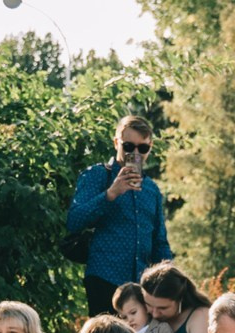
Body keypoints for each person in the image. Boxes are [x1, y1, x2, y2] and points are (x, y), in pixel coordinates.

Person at [62, 115, 174, 317]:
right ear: (116, 143)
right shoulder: (96, 175)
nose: (135, 153)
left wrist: (172, 279)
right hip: (104, 277)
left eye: (143, 148)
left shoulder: (151, 189)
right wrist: (111, 194)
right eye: (129, 146)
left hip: (141, 286)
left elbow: (159, 241)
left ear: (150, 147)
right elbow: (74, 221)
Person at [139, 264, 214, 333]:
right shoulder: (141, 312)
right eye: (148, 305)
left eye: (163, 308)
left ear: (180, 300)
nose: (154, 314)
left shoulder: (200, 316)